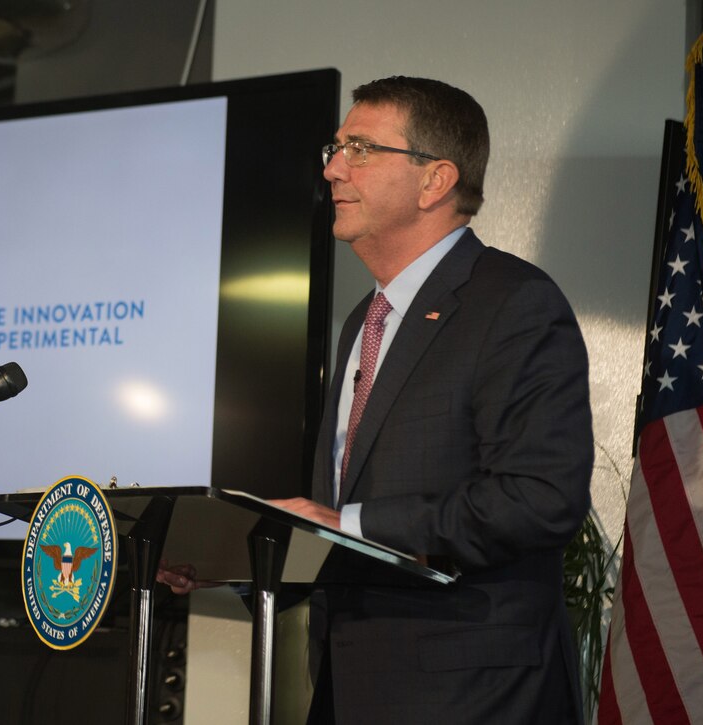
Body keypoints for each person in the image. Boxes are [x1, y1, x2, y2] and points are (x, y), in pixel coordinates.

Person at [160, 76, 593, 724]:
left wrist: (352, 524)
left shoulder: (514, 304)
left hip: (472, 698)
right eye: (335, 148)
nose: (333, 168)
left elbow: (539, 498)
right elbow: (336, 529)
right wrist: (239, 560)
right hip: (347, 690)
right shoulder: (366, 317)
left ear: (434, 180)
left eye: (360, 149)